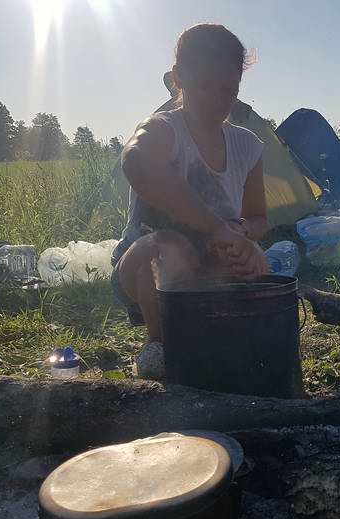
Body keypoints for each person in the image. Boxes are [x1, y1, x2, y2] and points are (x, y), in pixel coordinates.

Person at [113, 24, 268, 379]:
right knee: (170, 247)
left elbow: (258, 217)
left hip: (208, 264)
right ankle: (160, 344)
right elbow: (135, 162)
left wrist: (241, 235)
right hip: (143, 269)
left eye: (228, 89)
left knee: (260, 267)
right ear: (177, 80)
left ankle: (213, 332)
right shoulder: (165, 129)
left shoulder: (247, 146)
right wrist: (214, 226)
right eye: (205, 86)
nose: (218, 99)